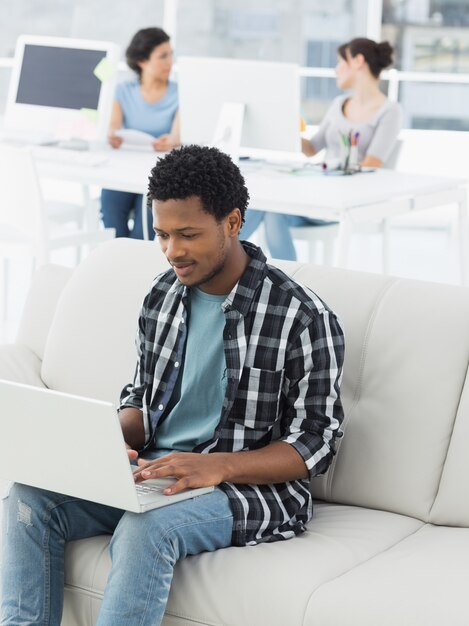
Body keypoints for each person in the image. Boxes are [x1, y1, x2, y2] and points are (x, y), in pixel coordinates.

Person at [1, 145, 345, 626]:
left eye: (188, 234)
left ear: (232, 222)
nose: (172, 250)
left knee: (147, 529)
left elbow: (317, 444)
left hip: (250, 489)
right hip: (157, 471)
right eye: (162, 234)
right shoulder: (161, 297)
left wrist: (217, 466)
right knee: (27, 501)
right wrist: (108, 440)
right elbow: (142, 399)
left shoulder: (301, 317)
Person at [242, 37, 403, 261]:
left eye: (340, 62)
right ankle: (238, 259)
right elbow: (312, 148)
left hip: (349, 201)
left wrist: (329, 171)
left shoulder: (389, 111)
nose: (336, 69)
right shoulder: (339, 104)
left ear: (358, 61)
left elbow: (372, 165)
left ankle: (223, 255)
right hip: (319, 191)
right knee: (265, 205)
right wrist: (286, 124)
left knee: (270, 207)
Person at [101, 27, 180, 240]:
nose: (170, 61)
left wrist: (172, 141)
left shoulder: (179, 93)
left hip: (158, 175)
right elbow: (113, 127)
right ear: (142, 61)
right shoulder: (122, 90)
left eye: (171, 54)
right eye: (163, 56)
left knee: (143, 229)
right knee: (111, 217)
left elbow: (177, 137)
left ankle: (134, 270)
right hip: (124, 168)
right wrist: (112, 136)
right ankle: (114, 267)